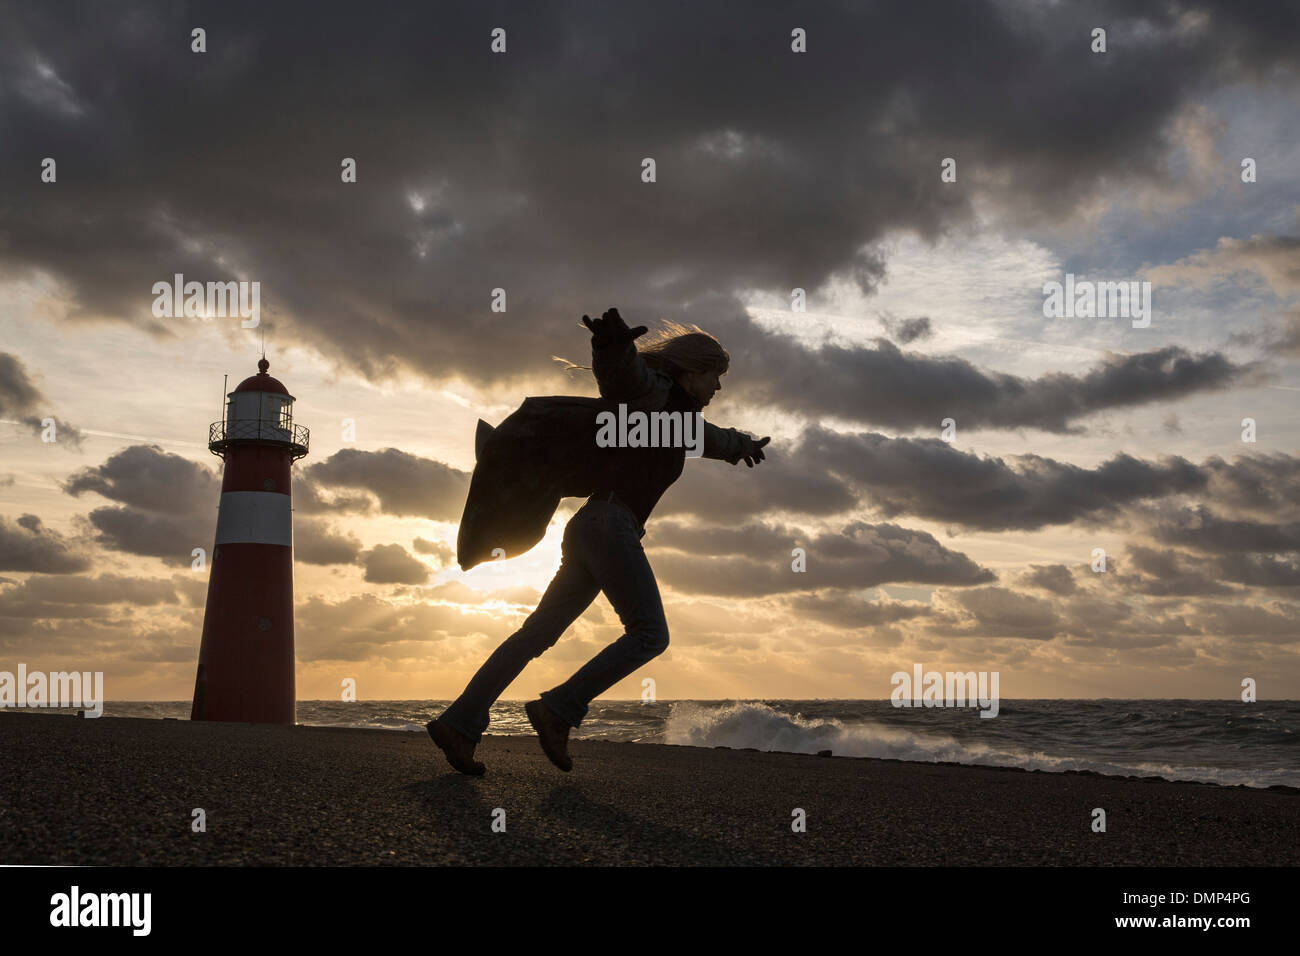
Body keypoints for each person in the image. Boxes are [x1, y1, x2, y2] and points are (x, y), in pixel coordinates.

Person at [427, 308, 770, 774]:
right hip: (609, 525)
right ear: (690, 371)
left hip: (592, 527)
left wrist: (742, 446)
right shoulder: (652, 396)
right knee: (650, 634)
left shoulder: (675, 420)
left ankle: (459, 722)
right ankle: (559, 708)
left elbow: (705, 437)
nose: (719, 387)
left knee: (537, 634)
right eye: (715, 376)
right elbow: (624, 377)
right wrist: (611, 346)